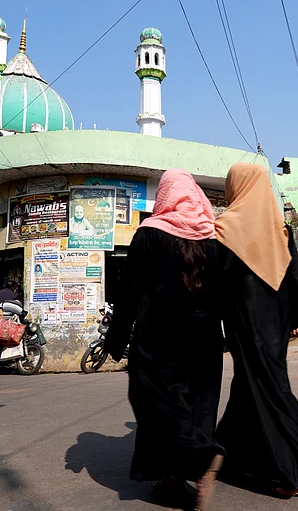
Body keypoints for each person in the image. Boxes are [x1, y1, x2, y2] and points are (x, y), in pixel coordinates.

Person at [104, 168, 224, 510]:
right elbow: (225, 292)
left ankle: (199, 458)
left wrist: (116, 337)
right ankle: (174, 477)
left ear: (165, 195)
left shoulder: (149, 234)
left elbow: (129, 293)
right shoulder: (211, 236)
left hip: (159, 335)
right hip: (205, 336)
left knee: (152, 396)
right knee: (200, 401)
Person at [214, 163, 298, 498]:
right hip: (276, 325)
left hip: (246, 324)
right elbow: (294, 279)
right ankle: (226, 452)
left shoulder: (224, 229)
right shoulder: (280, 228)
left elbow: (218, 285)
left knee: (269, 389)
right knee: (251, 386)